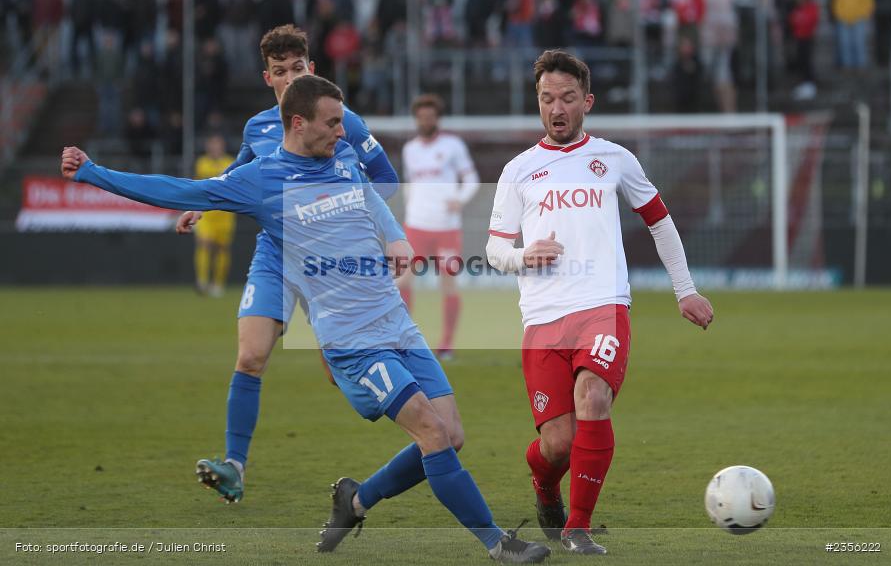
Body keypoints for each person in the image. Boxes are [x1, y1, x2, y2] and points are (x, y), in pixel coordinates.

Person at [61, 75, 551, 565]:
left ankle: (355, 500)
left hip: (398, 325)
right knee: (432, 432)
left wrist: (396, 236)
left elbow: (370, 196)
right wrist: (92, 173)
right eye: (332, 122)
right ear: (298, 123)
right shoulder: (262, 180)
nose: (342, 131)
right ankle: (498, 544)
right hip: (353, 344)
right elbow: (176, 189)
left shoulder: (342, 157)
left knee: (452, 435)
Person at [485, 50, 714, 555]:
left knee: (593, 397)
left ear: (587, 102)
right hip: (542, 318)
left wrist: (686, 289)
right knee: (558, 445)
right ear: (538, 102)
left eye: (568, 97)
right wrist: (524, 256)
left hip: (603, 306)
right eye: (547, 98)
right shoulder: (518, 171)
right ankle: (545, 485)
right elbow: (495, 250)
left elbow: (659, 220)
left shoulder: (614, 159)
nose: (557, 108)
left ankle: (578, 527)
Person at [174, 25, 399, 503]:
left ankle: (402, 402)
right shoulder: (257, 128)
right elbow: (236, 175)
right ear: (268, 78)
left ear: (311, 68)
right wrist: (202, 205)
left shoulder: (344, 122)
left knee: (339, 372)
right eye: (281, 71)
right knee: (251, 356)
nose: (290, 77)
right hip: (277, 254)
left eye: (298, 68)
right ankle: (234, 467)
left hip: (330, 259)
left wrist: (350, 217)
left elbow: (386, 179)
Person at [397, 94, 479, 360]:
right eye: (421, 117)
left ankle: (446, 344)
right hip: (416, 225)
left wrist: (460, 199)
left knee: (448, 284)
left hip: (446, 227)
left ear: (437, 119)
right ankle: (404, 340)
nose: (425, 121)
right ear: (416, 119)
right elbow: (409, 185)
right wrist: (409, 211)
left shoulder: (453, 145)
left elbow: (472, 179)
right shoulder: (410, 149)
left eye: (430, 117)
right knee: (402, 280)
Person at [193, 133, 236, 297]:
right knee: (204, 243)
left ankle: (218, 284)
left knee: (222, 248)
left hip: (225, 214)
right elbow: (197, 185)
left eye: (218, 144)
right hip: (206, 213)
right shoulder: (201, 162)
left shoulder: (230, 163)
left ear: (222, 147)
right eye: (212, 144)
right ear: (208, 146)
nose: (215, 147)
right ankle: (202, 281)